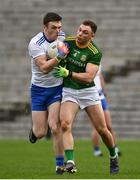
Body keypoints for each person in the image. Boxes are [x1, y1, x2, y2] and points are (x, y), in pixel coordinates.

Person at [54, 20, 119, 174]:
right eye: (80, 30)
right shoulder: (68, 42)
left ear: (92, 36)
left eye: (85, 32)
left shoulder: (94, 52)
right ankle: (70, 161)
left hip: (88, 92)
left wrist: (68, 73)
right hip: (70, 90)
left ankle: (113, 155)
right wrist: (58, 56)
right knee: (64, 124)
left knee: (102, 129)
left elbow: (89, 77)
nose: (80, 34)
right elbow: (57, 55)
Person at [28, 12, 69, 174]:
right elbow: (44, 68)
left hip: (56, 88)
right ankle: (34, 131)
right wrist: (60, 57)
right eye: (53, 28)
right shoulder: (35, 43)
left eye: (59, 27)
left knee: (56, 126)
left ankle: (60, 165)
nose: (57, 31)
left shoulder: (62, 37)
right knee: (40, 132)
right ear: (45, 27)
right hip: (38, 89)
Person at [92, 66, 121, 156]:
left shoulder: (97, 58)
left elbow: (100, 76)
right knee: (97, 127)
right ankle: (96, 150)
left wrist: (104, 89)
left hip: (101, 96)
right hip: (92, 96)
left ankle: (115, 147)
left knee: (109, 125)